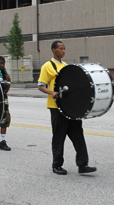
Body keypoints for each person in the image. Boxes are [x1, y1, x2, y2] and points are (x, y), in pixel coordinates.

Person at [37, 40, 96, 175]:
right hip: (56, 107)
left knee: (78, 135)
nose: (63, 51)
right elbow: (41, 85)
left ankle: (83, 164)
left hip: (70, 107)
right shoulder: (48, 66)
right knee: (59, 136)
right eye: (61, 49)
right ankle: (57, 165)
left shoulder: (65, 66)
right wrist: (52, 92)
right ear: (54, 50)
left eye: (64, 49)